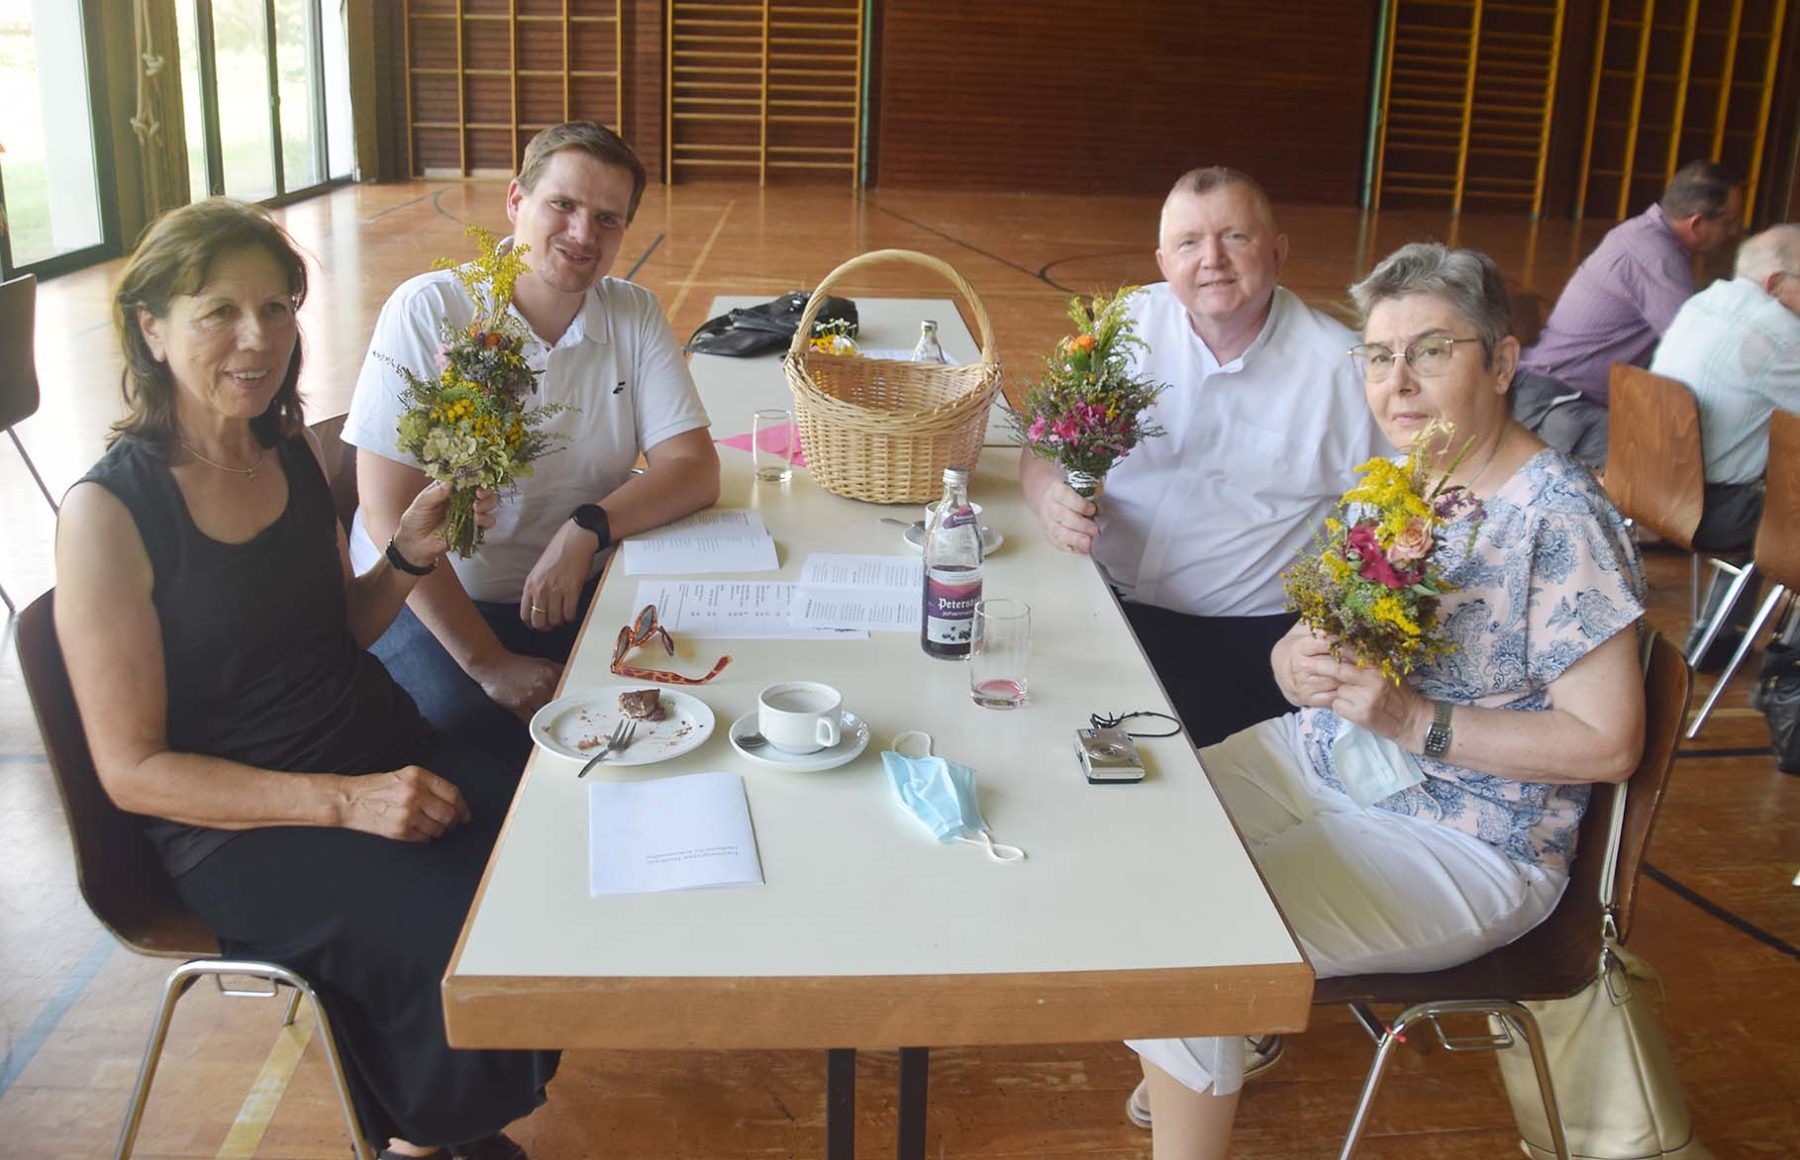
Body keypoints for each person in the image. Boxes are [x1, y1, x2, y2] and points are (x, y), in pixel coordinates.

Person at [54, 198, 557, 1160]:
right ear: (151, 328)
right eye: (219, 312)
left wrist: (405, 557)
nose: (259, 338)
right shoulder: (109, 515)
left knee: (561, 860)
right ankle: (429, 1136)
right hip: (242, 823)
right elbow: (133, 771)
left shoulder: (279, 448)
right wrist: (346, 803)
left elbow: (341, 630)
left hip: (374, 751)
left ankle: (454, 1113)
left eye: (277, 308)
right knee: (463, 942)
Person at [1124, 243, 1648, 1157]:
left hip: (1472, 835)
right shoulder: (1398, 479)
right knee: (1134, 837)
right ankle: (1198, 1044)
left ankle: (1199, 1043)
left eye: (1430, 352)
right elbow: (1308, 634)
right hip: (1326, 759)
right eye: (1377, 355)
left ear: (1503, 362)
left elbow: (1609, 745)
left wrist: (1414, 721)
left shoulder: (1558, 518)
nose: (1396, 382)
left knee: (1195, 932)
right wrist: (1293, 661)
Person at [345, 122, 719, 764]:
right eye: (563, 205)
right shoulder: (430, 309)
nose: (583, 234)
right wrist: (487, 662)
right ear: (516, 200)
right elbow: (386, 511)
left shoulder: (633, 313)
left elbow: (694, 469)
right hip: (433, 597)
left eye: (607, 219)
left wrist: (586, 529)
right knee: (469, 725)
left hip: (577, 588)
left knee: (659, 708)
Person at [1021, 166, 1384, 747]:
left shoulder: (1344, 372)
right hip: (1096, 601)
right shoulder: (1125, 326)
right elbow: (1044, 443)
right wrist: (1047, 496)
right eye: (1189, 242)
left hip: (1243, 648)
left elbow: (1397, 528)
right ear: (1164, 262)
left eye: (1234, 237)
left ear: (1277, 252)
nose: (1212, 259)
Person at [1512, 160, 1744, 469]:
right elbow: (1698, 349)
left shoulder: (1643, 234)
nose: (1734, 232)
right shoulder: (1657, 257)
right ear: (1697, 222)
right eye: (1729, 222)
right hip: (1555, 401)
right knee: (1661, 463)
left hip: (1553, 392)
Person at [1649, 223, 1800, 551]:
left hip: (1647, 486)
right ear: (1775, 283)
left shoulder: (1703, 301)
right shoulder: (1777, 333)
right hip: (1712, 509)